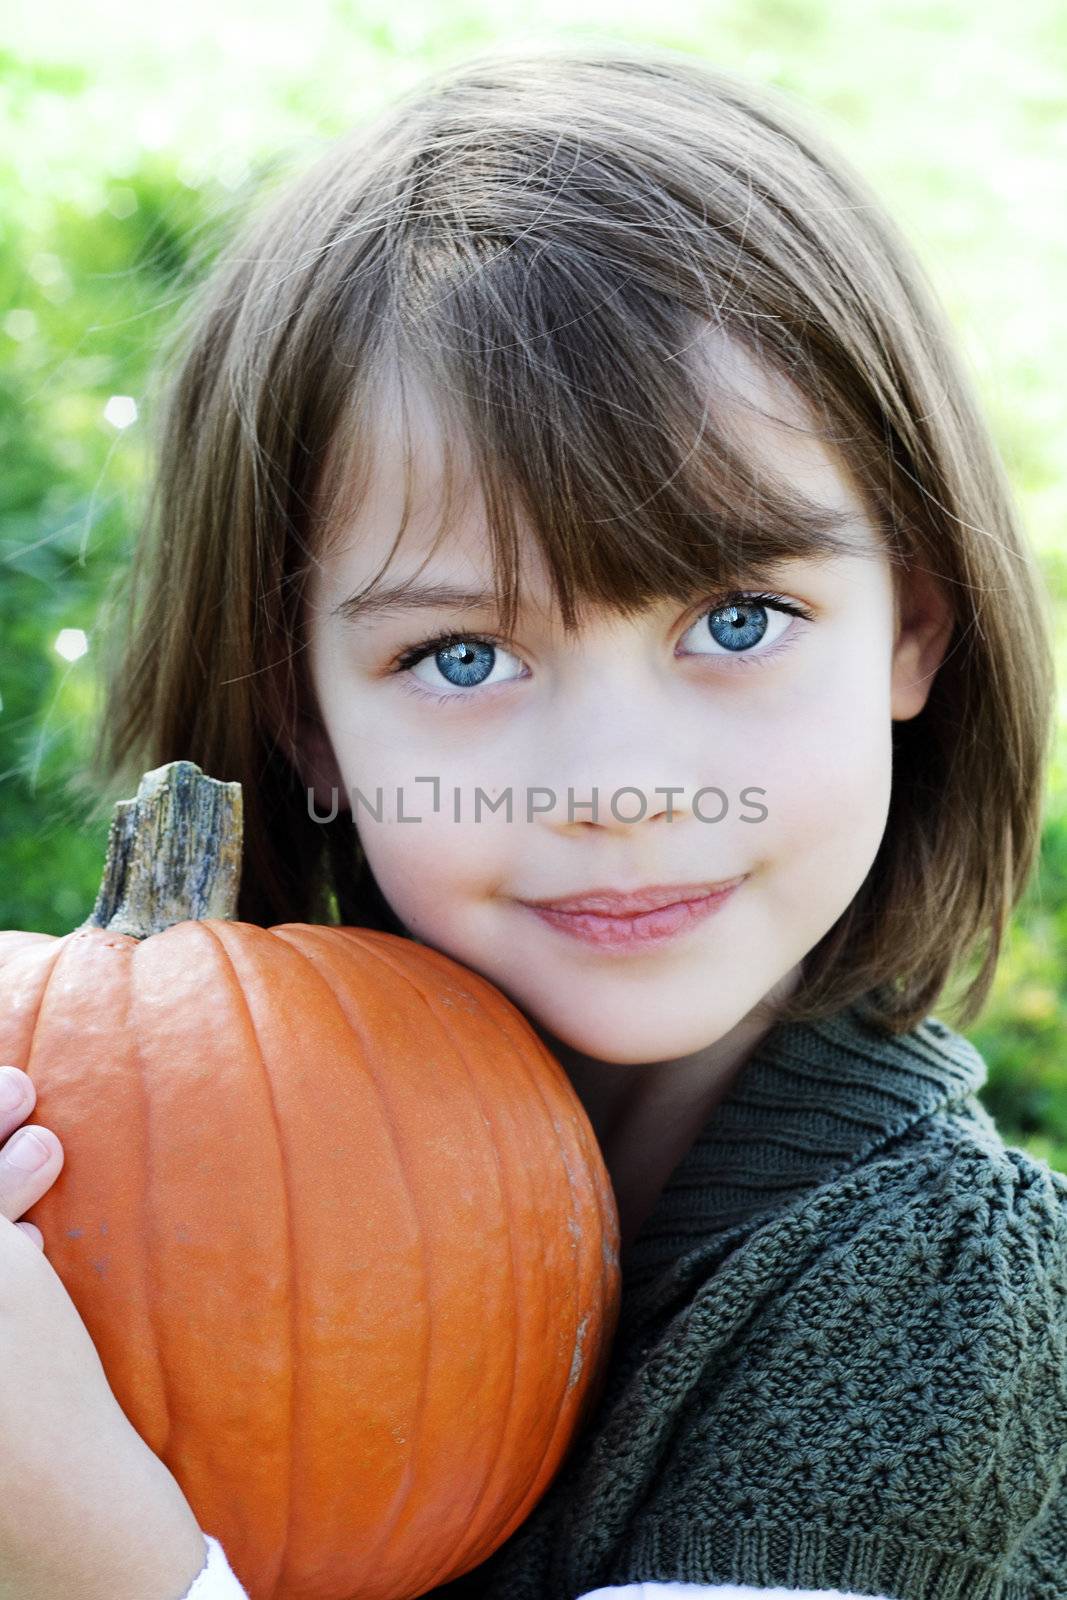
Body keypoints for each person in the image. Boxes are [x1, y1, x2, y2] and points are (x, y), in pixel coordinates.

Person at [3, 37, 1065, 1600]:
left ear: (916, 625)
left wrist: (106, 1558)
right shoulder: (136, 1150)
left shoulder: (934, 1303)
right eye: (462, 654)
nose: (622, 786)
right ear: (306, 716)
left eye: (741, 618)